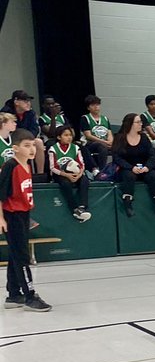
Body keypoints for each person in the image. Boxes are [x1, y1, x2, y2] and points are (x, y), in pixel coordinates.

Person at [0, 131, 51, 311]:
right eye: (26, 146)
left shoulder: (27, 165)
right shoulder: (10, 166)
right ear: (15, 148)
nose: (31, 150)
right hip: (11, 215)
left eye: (33, 146)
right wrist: (1, 218)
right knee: (22, 256)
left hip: (23, 214)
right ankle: (30, 296)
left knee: (16, 254)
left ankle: (13, 295)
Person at [112, 114, 155, 217]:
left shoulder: (144, 138)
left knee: (153, 176)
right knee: (129, 176)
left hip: (143, 167)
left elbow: (152, 156)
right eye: (138, 122)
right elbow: (117, 158)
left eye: (141, 122)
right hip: (127, 168)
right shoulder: (119, 138)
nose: (141, 124)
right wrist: (131, 168)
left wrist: (147, 167)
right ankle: (127, 203)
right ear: (130, 124)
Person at [48, 125, 91, 222]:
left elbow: (81, 164)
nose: (69, 137)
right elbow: (52, 167)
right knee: (66, 183)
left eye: (70, 135)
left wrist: (79, 175)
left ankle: (83, 206)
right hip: (60, 174)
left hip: (75, 173)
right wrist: (67, 175)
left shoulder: (76, 148)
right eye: (66, 135)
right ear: (59, 137)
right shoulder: (53, 149)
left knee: (84, 180)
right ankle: (74, 209)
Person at [1, 92, 45, 175]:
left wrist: (27, 138)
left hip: (27, 138)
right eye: (25, 101)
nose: (28, 103)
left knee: (39, 142)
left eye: (29, 101)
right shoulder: (5, 112)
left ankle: (40, 174)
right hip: (11, 139)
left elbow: (35, 129)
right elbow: (5, 131)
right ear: (16, 102)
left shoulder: (31, 113)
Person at [79, 95, 112, 173]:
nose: (96, 107)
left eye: (97, 105)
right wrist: (104, 142)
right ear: (88, 108)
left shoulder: (105, 118)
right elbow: (88, 135)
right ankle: (101, 171)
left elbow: (109, 133)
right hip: (90, 144)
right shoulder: (85, 118)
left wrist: (110, 142)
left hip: (105, 143)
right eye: (93, 105)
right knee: (101, 146)